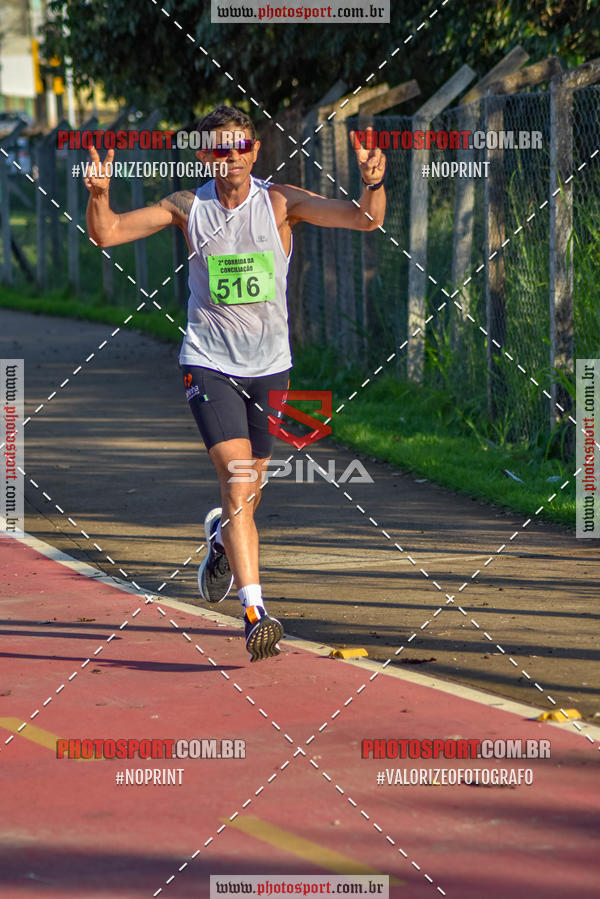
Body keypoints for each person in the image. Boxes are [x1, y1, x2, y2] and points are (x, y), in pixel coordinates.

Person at [85, 104, 386, 662]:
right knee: (236, 476)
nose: (233, 157)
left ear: (255, 151)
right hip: (209, 361)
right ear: (204, 155)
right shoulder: (186, 207)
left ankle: (221, 535)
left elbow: (364, 220)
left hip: (271, 365)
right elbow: (107, 235)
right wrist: (99, 195)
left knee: (248, 490)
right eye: (220, 148)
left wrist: (374, 185)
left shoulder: (279, 203)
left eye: (242, 147)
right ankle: (255, 612)